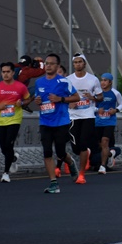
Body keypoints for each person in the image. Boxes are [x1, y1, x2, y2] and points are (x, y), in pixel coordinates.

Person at [33, 53, 80, 194]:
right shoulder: (39, 82)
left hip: (61, 122)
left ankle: (70, 162)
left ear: (58, 66)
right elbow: (38, 98)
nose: (48, 66)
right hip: (45, 122)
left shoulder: (64, 82)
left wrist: (61, 99)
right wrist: (38, 101)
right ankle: (53, 183)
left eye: (51, 64)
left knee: (60, 152)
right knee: (47, 152)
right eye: (46, 63)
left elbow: (77, 97)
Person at [0, 61, 32, 183]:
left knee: (9, 144)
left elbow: (28, 99)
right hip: (1, 120)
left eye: (8, 72)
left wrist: (21, 103)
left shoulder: (20, 87)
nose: (6, 74)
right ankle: (12, 158)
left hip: (15, 119)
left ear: (13, 73)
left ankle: (6, 173)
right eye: (3, 72)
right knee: (4, 148)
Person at [65, 53, 103, 185]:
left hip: (88, 115)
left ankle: (81, 174)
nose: (77, 64)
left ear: (84, 63)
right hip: (73, 116)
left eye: (80, 62)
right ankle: (84, 153)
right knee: (76, 147)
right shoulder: (68, 79)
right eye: (75, 62)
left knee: (83, 143)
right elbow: (63, 97)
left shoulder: (93, 79)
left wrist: (92, 98)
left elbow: (100, 97)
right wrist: (69, 102)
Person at [95, 73, 122, 174]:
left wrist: (116, 110)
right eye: (101, 80)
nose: (102, 82)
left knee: (105, 141)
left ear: (110, 82)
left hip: (110, 121)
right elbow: (91, 105)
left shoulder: (115, 93)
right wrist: (97, 110)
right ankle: (110, 155)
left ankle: (103, 166)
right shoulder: (97, 93)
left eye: (105, 80)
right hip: (98, 122)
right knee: (100, 144)